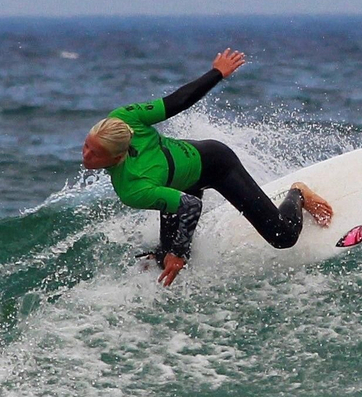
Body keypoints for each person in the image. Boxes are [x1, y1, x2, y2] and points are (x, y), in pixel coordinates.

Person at [81, 49, 332, 286]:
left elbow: (191, 205)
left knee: (282, 237)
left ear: (117, 157)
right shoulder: (118, 124)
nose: (86, 156)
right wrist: (171, 252)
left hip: (216, 164)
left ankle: (298, 193)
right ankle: (161, 257)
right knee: (164, 260)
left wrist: (217, 73)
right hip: (177, 180)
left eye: (95, 153)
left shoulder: (131, 181)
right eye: (87, 145)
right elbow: (177, 103)